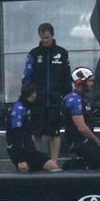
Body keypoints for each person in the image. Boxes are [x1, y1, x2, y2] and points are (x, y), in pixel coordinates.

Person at [22, 22, 71, 163]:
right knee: (36, 133)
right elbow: (27, 76)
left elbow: (66, 76)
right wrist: (28, 96)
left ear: (52, 35)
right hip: (38, 100)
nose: (45, 40)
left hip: (55, 100)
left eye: (47, 37)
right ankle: (38, 160)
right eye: (43, 37)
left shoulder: (62, 53)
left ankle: (54, 161)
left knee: (54, 133)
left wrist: (66, 96)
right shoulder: (34, 53)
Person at [61, 67, 100, 171]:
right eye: (90, 81)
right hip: (80, 141)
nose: (92, 84)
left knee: (96, 166)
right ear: (82, 82)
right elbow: (81, 127)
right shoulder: (75, 100)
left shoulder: (83, 98)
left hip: (83, 140)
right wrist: (98, 142)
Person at [6, 82, 61, 173]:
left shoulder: (26, 107)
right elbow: (16, 134)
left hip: (29, 150)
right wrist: (20, 160)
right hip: (20, 150)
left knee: (53, 167)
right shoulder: (19, 109)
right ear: (33, 94)